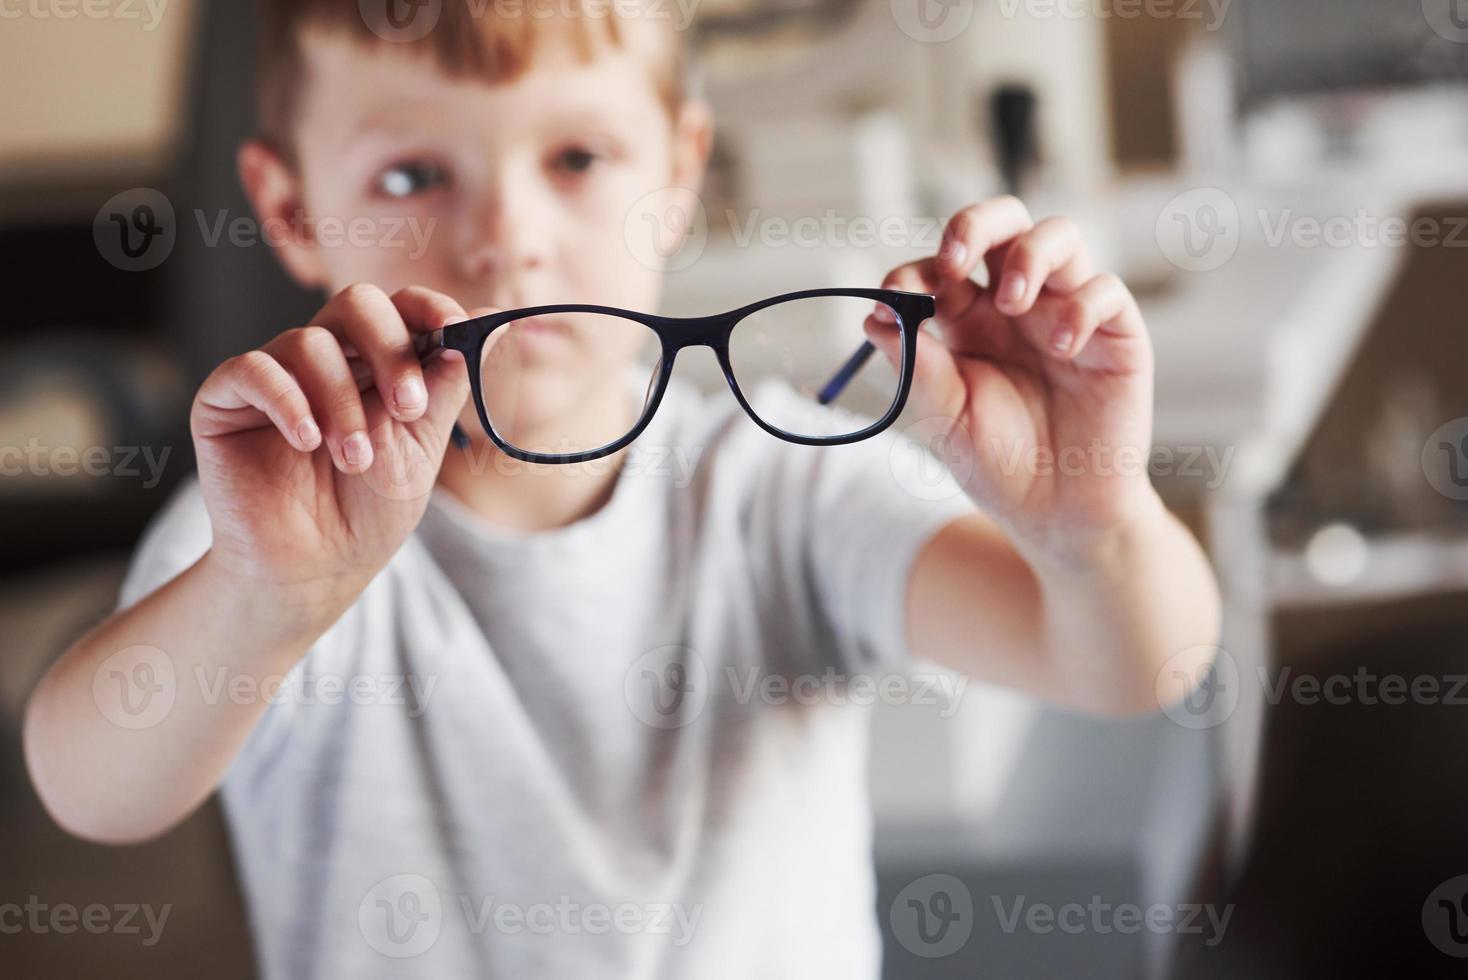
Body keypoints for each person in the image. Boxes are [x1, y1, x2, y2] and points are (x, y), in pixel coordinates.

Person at [23, 2, 1220, 976]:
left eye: (578, 156)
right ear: (287, 207)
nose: (507, 238)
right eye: (410, 174)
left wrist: (1091, 516)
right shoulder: (283, 527)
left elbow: (1133, 667)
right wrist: (260, 596)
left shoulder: (784, 486)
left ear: (680, 167)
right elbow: (92, 788)